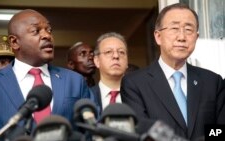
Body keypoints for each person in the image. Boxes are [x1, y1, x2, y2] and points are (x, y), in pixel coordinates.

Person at [0, 9, 92, 140]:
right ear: (14, 42)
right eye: (36, 31)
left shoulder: (75, 81)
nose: (47, 35)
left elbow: (88, 134)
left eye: (49, 30)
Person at [121, 3, 225, 140]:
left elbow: (219, 132)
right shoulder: (134, 83)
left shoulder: (213, 82)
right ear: (158, 37)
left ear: (196, 37)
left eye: (188, 29)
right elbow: (141, 133)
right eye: (174, 28)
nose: (181, 37)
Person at [91, 32, 128, 113]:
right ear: (97, 61)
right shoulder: (87, 96)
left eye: (121, 52)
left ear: (127, 62)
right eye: (108, 52)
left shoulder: (139, 96)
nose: (116, 56)